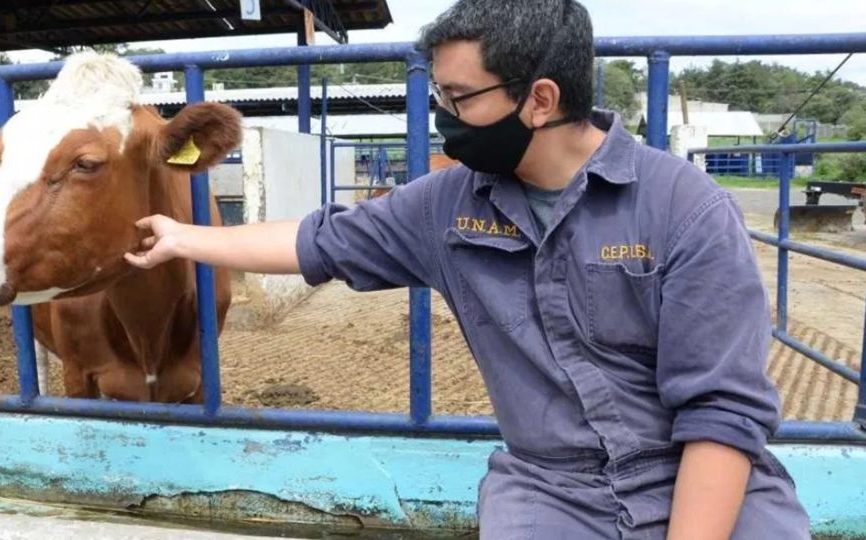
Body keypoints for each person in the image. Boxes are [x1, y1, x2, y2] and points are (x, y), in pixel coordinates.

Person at [124, 1, 811, 537]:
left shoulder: (684, 210)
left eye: (458, 98)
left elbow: (721, 414)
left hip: (699, 479)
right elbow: (315, 242)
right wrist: (183, 237)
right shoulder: (447, 205)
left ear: (539, 100)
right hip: (553, 488)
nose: (443, 117)